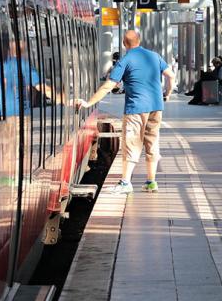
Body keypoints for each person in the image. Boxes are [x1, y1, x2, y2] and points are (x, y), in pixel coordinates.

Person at [75, 31, 175, 194]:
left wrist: (89, 103)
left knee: (131, 144)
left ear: (123, 43)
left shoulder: (126, 60)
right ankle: (151, 182)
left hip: (136, 108)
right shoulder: (154, 56)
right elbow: (171, 76)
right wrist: (167, 94)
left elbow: (109, 86)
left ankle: (125, 183)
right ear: (139, 40)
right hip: (156, 107)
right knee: (152, 143)